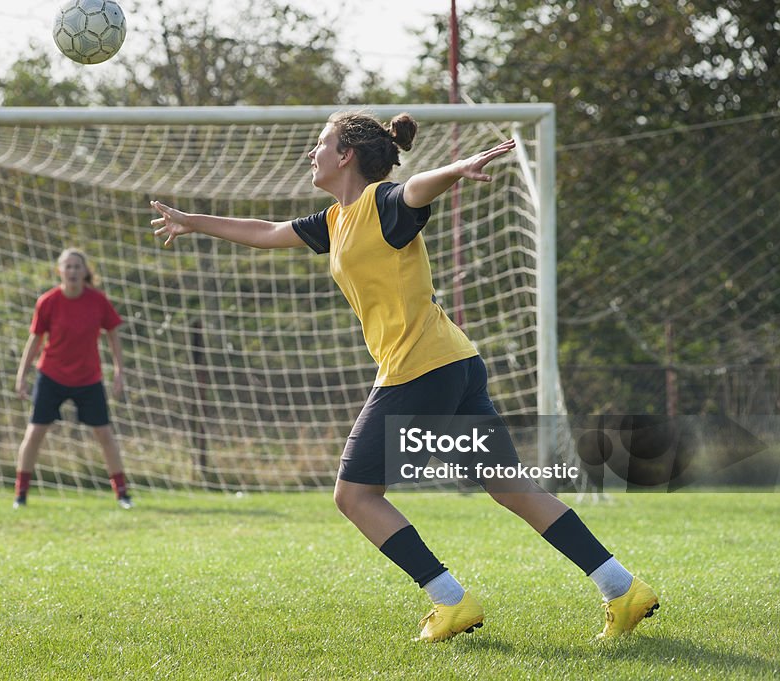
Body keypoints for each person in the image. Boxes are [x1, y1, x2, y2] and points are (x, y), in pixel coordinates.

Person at [149, 111, 658, 642]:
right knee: (510, 486)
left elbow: (413, 190)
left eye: (320, 143)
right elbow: (269, 231)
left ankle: (450, 601)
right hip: (454, 363)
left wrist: (455, 168)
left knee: (355, 496)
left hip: (418, 370)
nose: (311, 153)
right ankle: (622, 589)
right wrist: (193, 220)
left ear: (345, 155)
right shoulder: (336, 219)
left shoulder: (381, 203)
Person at [13, 248, 133, 510]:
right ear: (60, 271)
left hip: (88, 378)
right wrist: (22, 375)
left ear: (85, 271)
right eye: (68, 266)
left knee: (104, 434)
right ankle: (20, 495)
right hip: (51, 376)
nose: (73, 271)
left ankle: (122, 494)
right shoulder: (48, 302)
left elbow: (113, 335)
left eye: (77, 266)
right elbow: (35, 339)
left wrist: (119, 371)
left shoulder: (98, 301)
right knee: (35, 432)